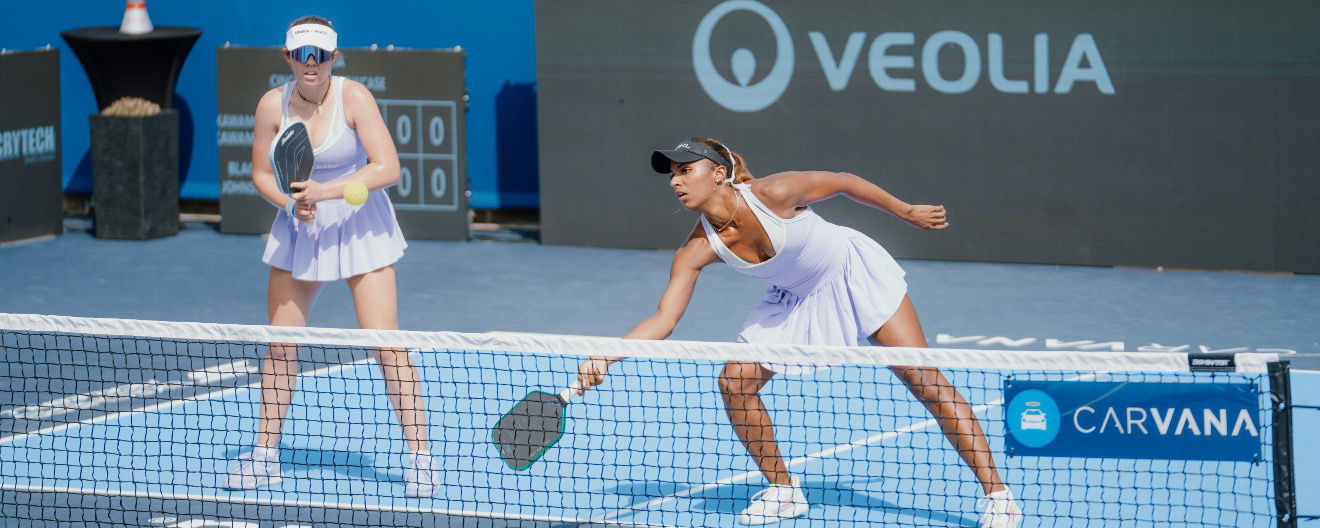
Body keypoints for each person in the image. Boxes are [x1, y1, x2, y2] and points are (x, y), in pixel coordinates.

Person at [576, 138, 1022, 526]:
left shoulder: (776, 192)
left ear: (719, 174)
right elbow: (663, 319)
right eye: (672, 174)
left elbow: (845, 180)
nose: (676, 181)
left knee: (925, 381)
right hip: (795, 299)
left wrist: (904, 211)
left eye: (686, 170)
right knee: (735, 382)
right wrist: (607, 356)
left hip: (851, 271)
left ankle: (999, 497)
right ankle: (783, 491)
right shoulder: (696, 248)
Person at [223, 16, 437, 498]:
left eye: (321, 54)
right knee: (280, 346)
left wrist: (328, 190)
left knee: (386, 345)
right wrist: (290, 203)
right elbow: (261, 174)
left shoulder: (354, 97)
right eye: (303, 54)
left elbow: (389, 168)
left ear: (334, 56)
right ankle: (264, 455)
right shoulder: (270, 106)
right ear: (288, 57)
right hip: (302, 228)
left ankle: (421, 457)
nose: (312, 63)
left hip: (360, 224)